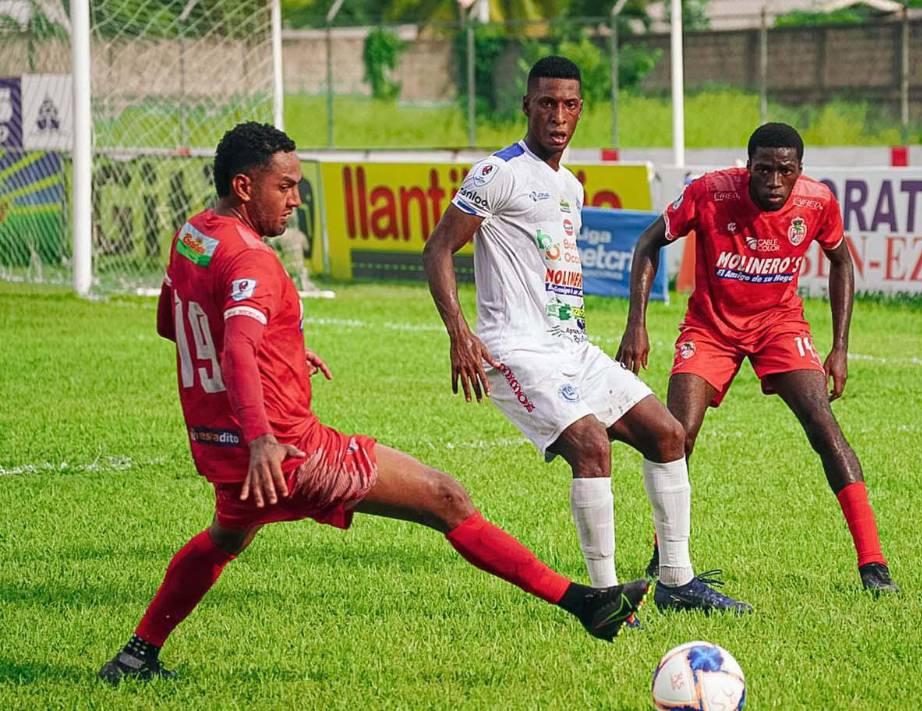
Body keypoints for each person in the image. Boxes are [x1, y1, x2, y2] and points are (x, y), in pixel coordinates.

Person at [99, 123, 649, 686]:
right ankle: (586, 603)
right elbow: (237, 345)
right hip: (287, 451)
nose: (295, 200)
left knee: (225, 538)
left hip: (223, 449)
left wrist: (281, 351)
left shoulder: (194, 235)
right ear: (244, 186)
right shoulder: (253, 260)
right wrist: (263, 434)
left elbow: (172, 322)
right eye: (284, 186)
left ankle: (136, 655)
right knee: (445, 498)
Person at [422, 56, 749, 614]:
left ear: (580, 110)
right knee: (592, 447)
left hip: (573, 348)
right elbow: (437, 249)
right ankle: (605, 596)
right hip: (516, 350)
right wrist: (459, 332)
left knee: (667, 435)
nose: (558, 116)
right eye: (547, 103)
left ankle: (676, 581)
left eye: (569, 105)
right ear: (526, 106)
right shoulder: (497, 172)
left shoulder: (570, 187)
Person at [616, 122, 900, 595]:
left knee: (823, 425)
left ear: (799, 170)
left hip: (779, 326)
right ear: (747, 166)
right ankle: (666, 555)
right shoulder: (709, 193)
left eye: (785, 171)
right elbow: (649, 242)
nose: (774, 181)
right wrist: (636, 324)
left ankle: (874, 565)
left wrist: (840, 347)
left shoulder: (818, 202)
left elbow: (842, 261)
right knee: (677, 436)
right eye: (764, 169)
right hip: (710, 328)